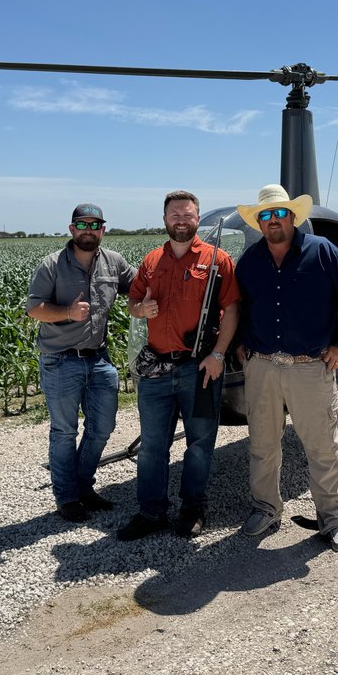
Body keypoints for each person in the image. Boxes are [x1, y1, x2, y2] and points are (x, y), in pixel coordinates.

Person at [233, 184, 338, 552]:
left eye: (279, 214)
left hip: (309, 366)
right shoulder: (251, 261)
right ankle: (266, 508)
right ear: (258, 222)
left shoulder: (322, 251)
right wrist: (242, 341)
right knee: (261, 442)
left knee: (322, 444)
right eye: (265, 216)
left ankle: (334, 519)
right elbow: (239, 305)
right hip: (262, 366)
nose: (273, 221)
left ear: (292, 216)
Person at [117, 190, 241, 540]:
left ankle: (192, 509)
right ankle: (151, 512)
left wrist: (217, 355)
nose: (181, 221)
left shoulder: (218, 260)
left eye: (187, 215)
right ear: (165, 220)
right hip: (156, 370)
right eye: (175, 215)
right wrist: (141, 310)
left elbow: (232, 309)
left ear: (197, 219)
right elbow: (133, 303)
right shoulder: (152, 260)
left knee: (200, 443)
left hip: (199, 369)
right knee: (153, 447)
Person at [26, 203, 136, 522]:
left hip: (98, 359)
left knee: (102, 427)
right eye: (82, 225)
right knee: (64, 432)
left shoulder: (114, 262)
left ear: (103, 230)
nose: (89, 231)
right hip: (60, 361)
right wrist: (67, 313)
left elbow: (140, 287)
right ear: (72, 229)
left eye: (95, 225)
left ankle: (83, 486)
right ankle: (67, 497)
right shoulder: (52, 265)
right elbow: (35, 309)